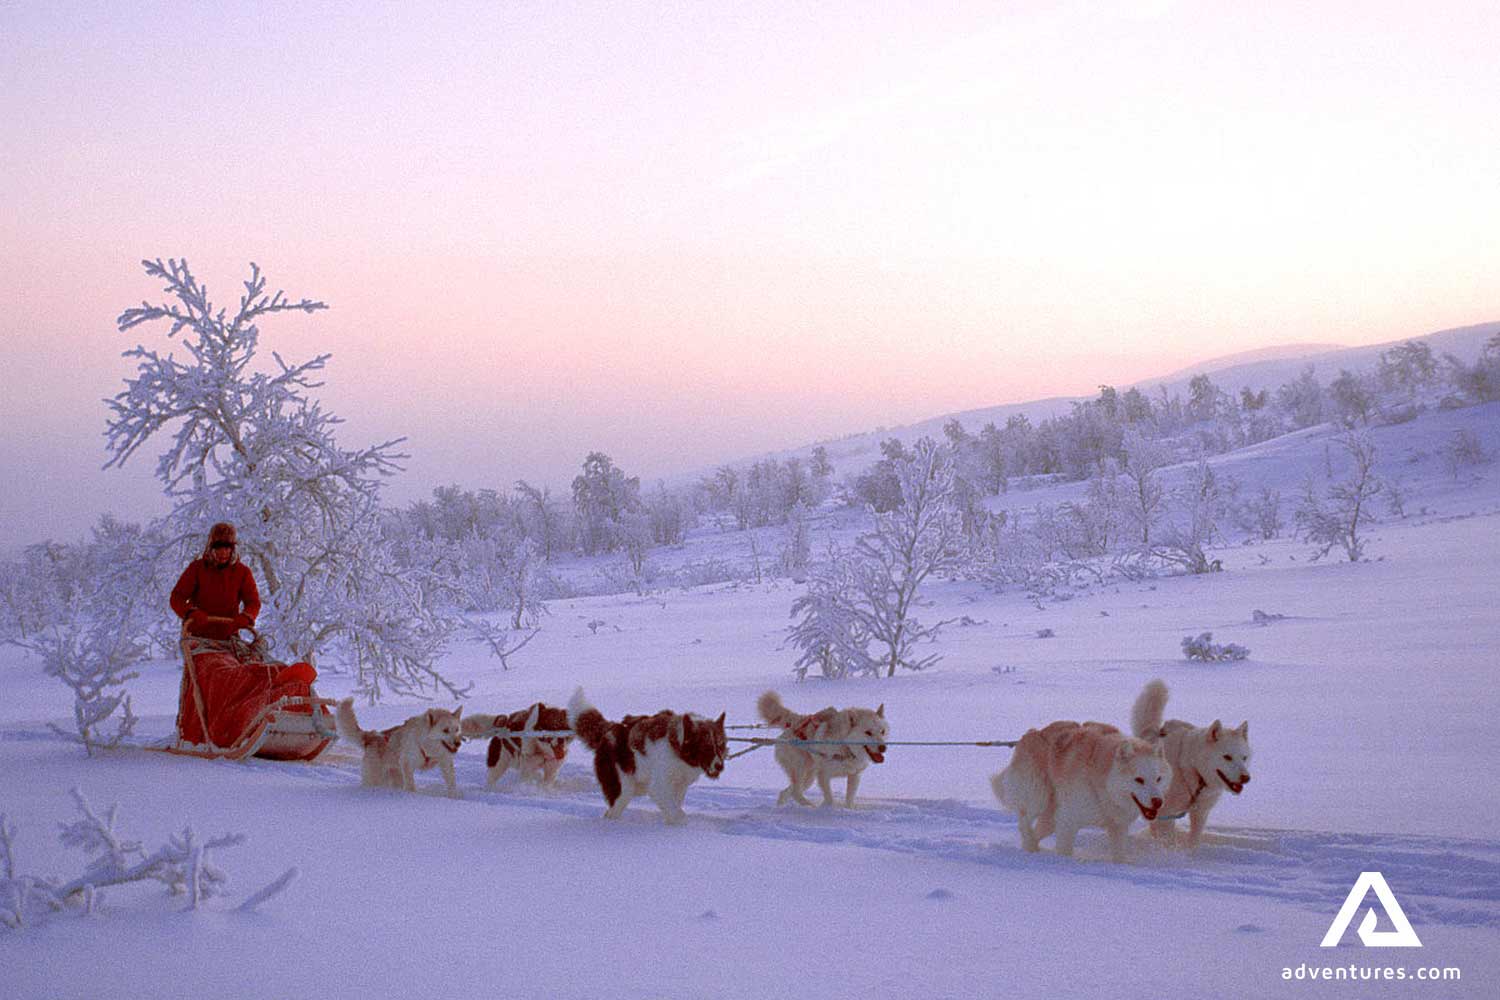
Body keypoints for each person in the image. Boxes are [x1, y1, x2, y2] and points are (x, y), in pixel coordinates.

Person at [170, 522, 261, 641]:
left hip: (229, 637)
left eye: (227, 547)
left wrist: (246, 616)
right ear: (211, 547)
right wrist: (190, 612)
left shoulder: (242, 572)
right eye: (218, 547)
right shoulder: (197, 569)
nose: (223, 552)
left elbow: (253, 602)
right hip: (199, 636)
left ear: (232, 548)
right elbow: (177, 598)